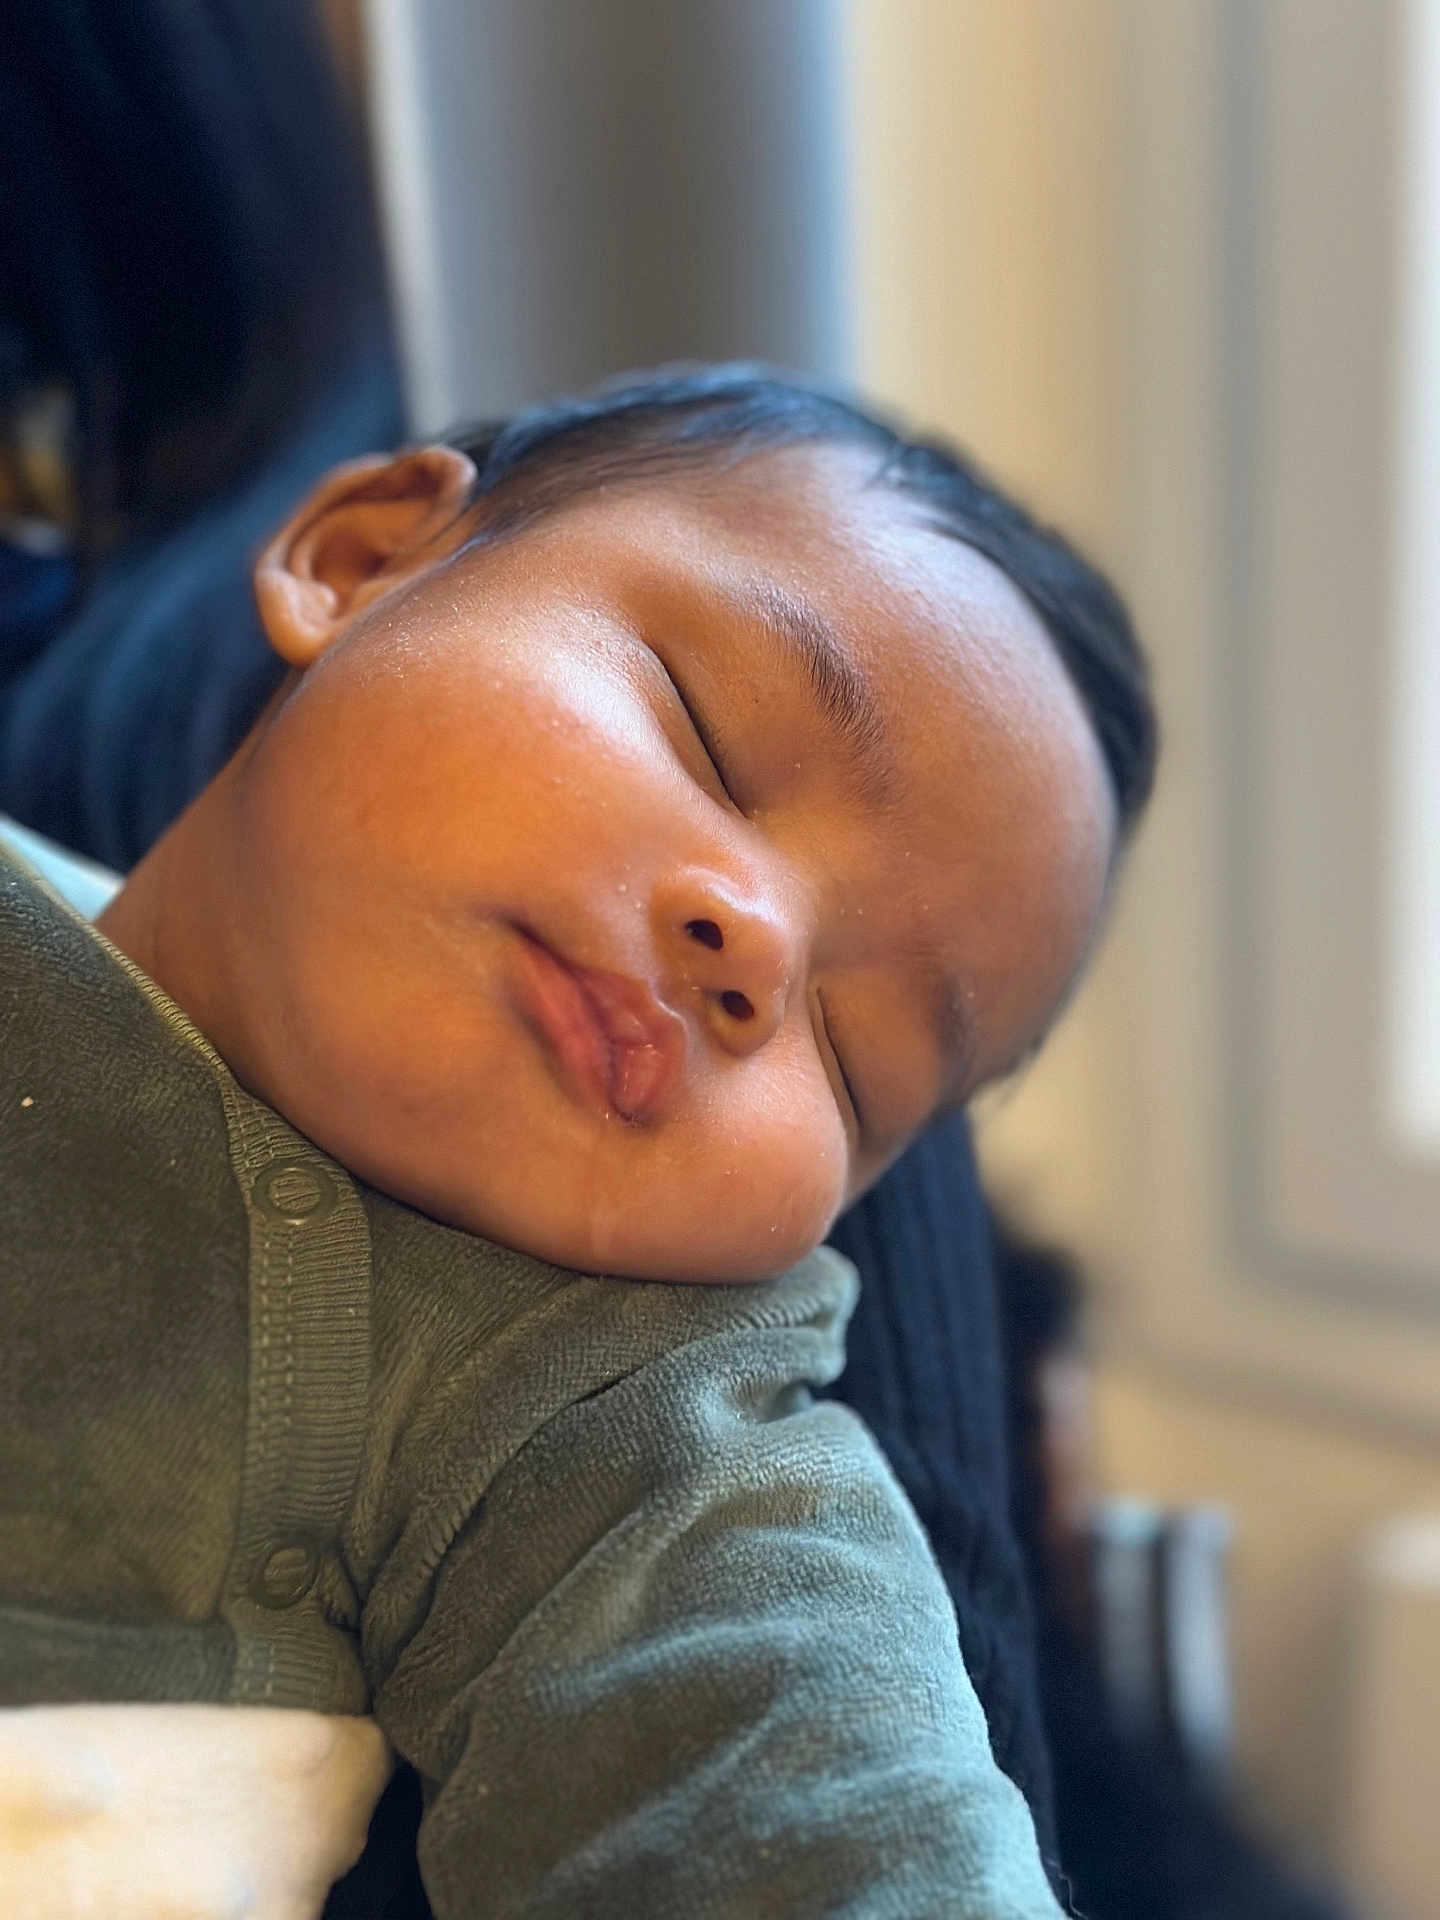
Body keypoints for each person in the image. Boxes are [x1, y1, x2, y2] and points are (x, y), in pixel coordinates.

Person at [1, 365, 1154, 1916]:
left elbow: (824, 1811)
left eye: (856, 1056)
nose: (753, 942)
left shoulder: (602, 1417)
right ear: (361, 562)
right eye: (709, 739)